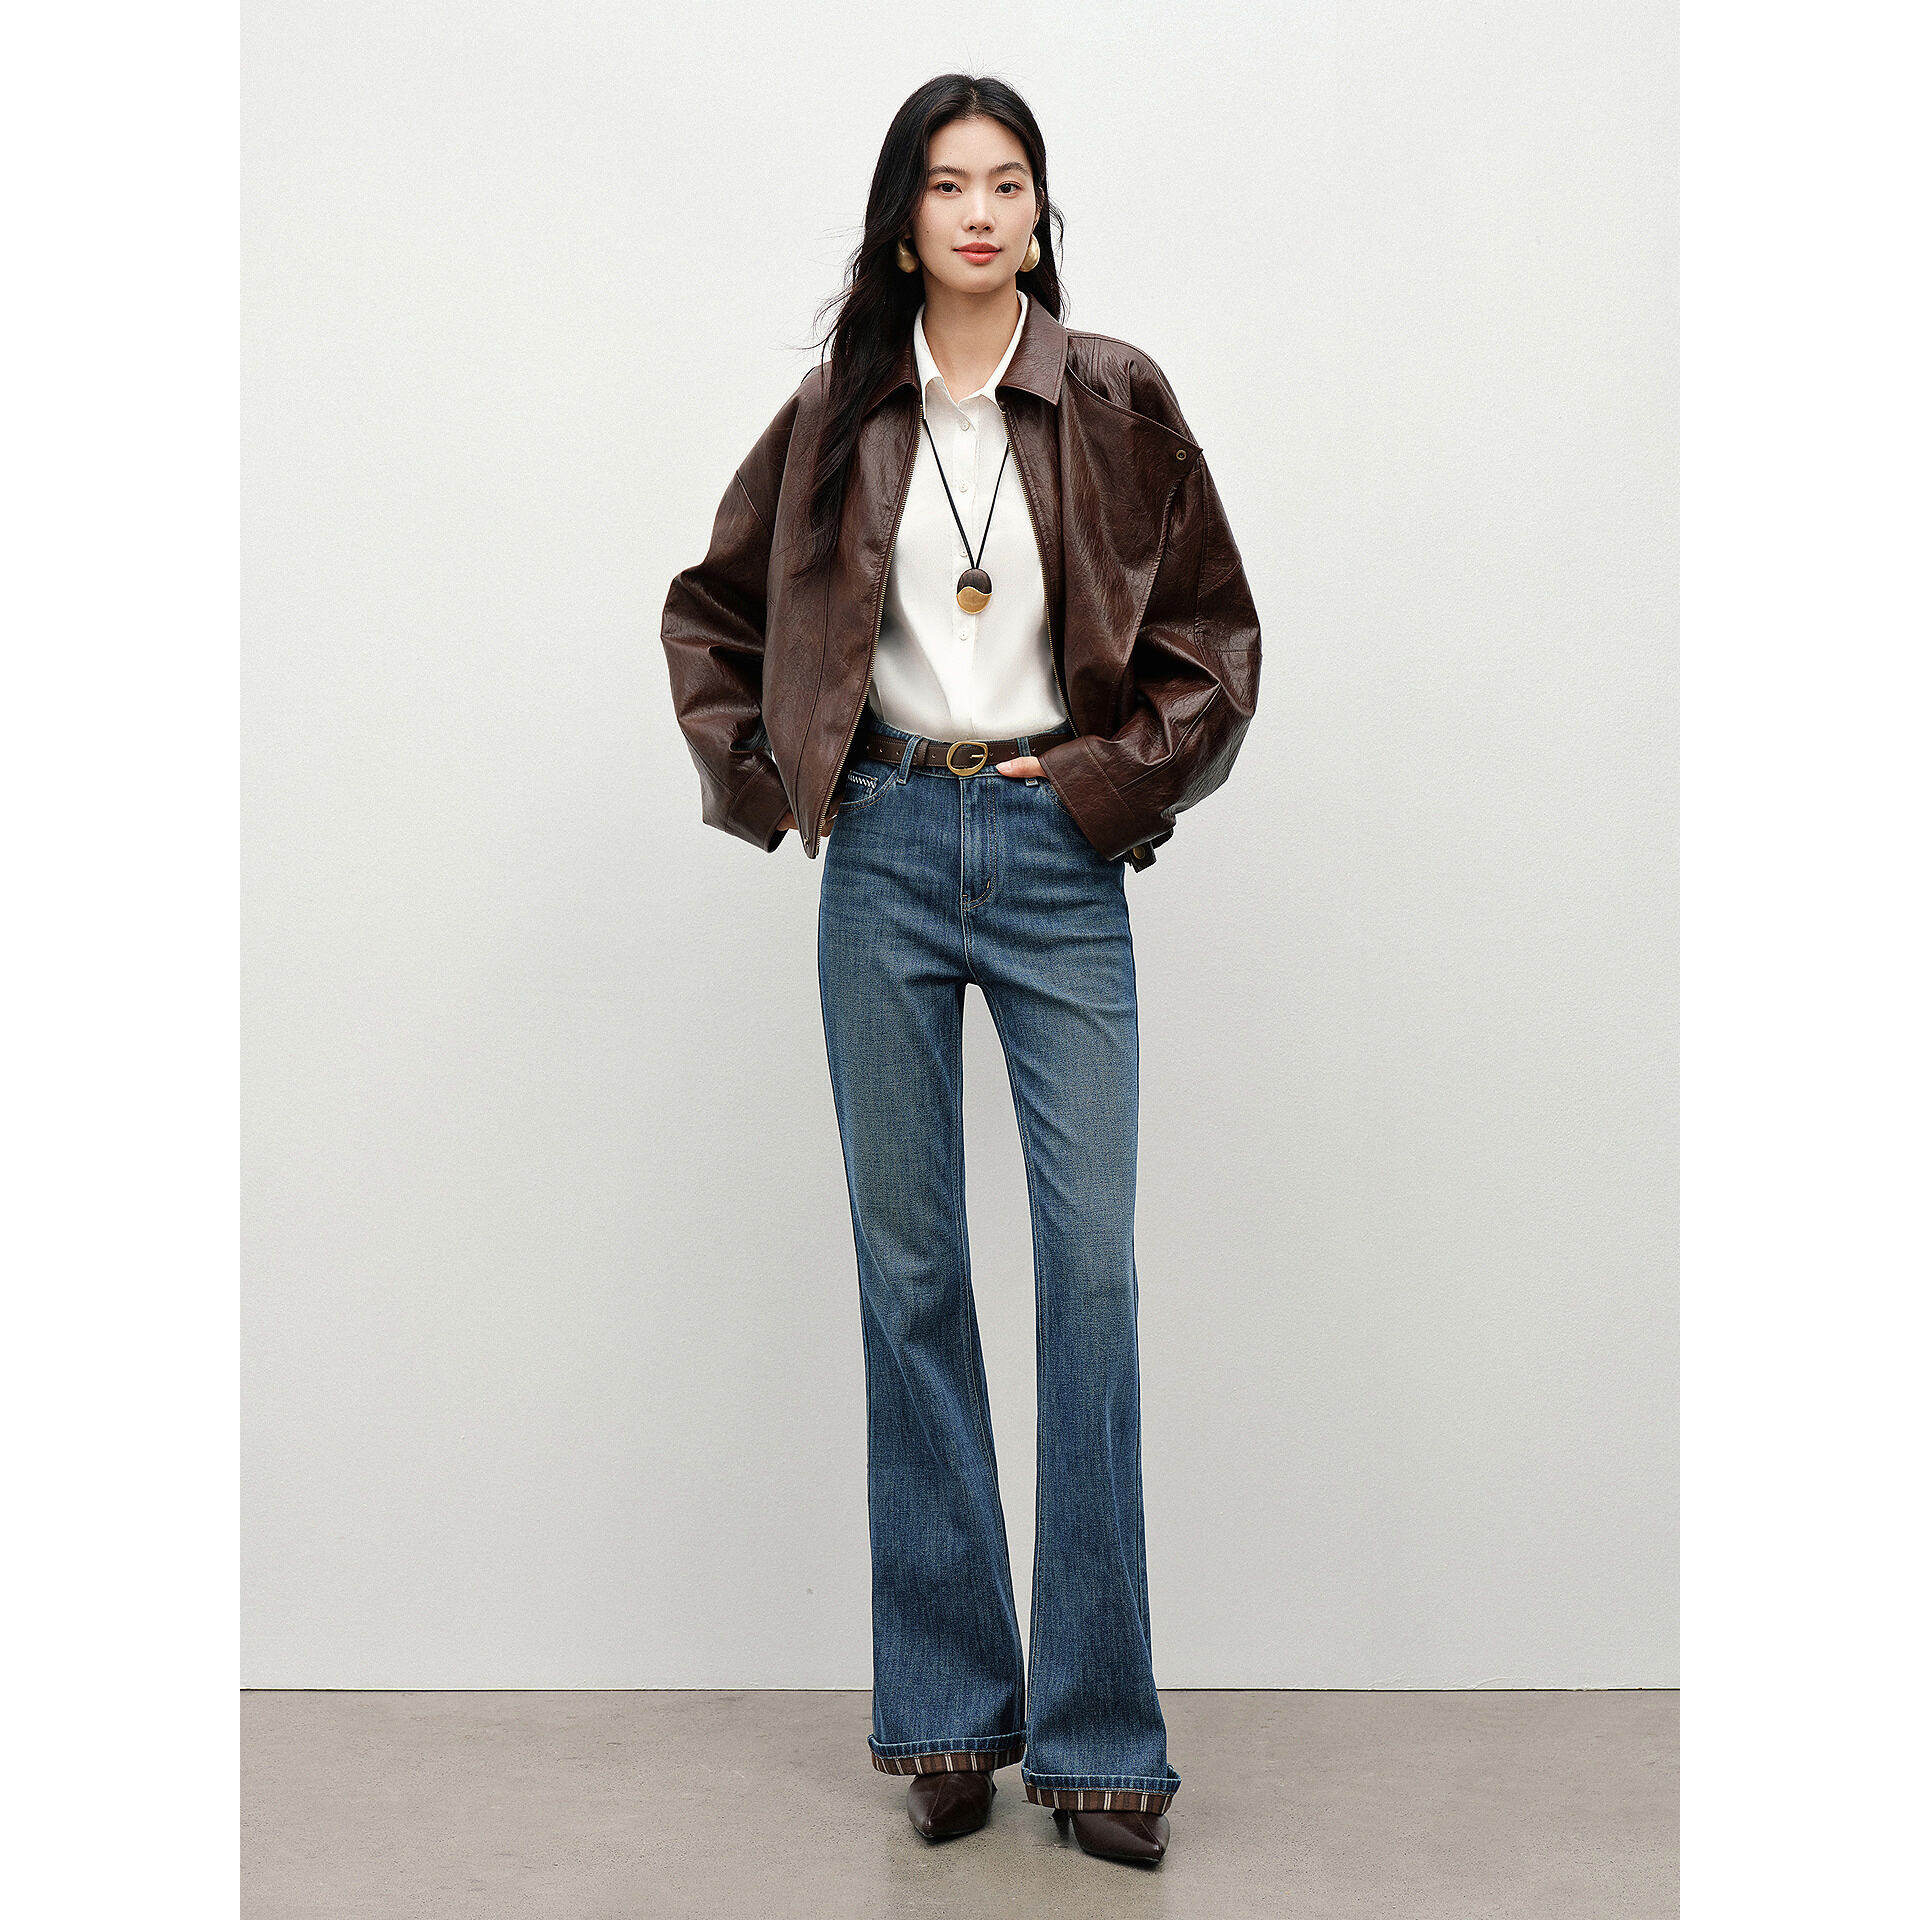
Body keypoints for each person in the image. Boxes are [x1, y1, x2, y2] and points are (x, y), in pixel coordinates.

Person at [660, 73, 1262, 1868]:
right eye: (948, 185)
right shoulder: (840, 415)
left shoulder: (1116, 397)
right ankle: (943, 1720)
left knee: (1092, 1280)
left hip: (1060, 853)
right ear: (904, 218)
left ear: (1037, 212)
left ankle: (1102, 1744)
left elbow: (1214, 643)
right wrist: (782, 787)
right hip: (892, 853)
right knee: (911, 1278)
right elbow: (712, 612)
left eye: (1008, 184)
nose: (981, 213)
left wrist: (1100, 788)